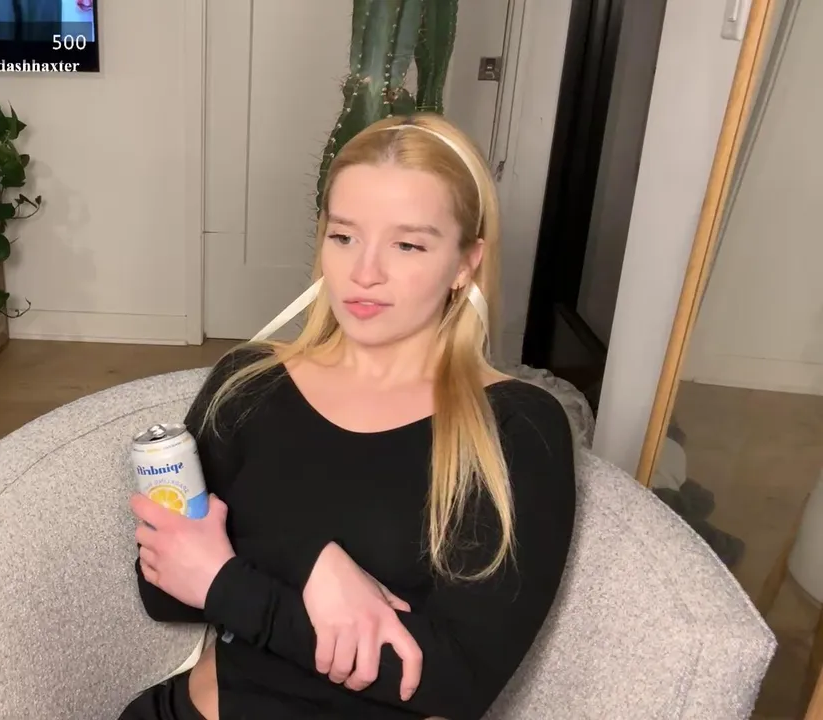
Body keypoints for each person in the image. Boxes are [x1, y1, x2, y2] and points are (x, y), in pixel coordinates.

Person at [121, 113, 577, 720]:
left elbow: (453, 682)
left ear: (466, 262)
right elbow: (165, 589)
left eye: (408, 244)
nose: (364, 273)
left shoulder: (516, 427)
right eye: (344, 237)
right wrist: (311, 563)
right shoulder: (246, 382)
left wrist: (238, 579)